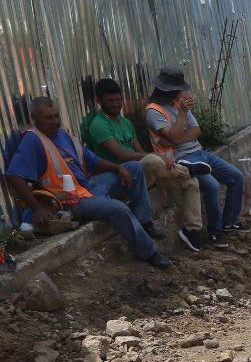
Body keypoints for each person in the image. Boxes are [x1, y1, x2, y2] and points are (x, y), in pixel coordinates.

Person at [4, 97, 171, 269]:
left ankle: (145, 223)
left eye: (56, 116)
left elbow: (93, 160)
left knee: (135, 168)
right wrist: (37, 208)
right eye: (49, 118)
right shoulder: (33, 140)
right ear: (35, 118)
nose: (55, 121)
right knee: (117, 208)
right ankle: (149, 252)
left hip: (89, 185)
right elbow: (14, 175)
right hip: (72, 200)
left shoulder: (63, 134)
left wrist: (118, 168)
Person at [84, 78, 209, 252]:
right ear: (99, 101)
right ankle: (188, 170)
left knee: (191, 183)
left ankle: (192, 231)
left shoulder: (125, 122)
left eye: (118, 100)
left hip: (143, 174)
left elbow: (139, 151)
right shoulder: (98, 124)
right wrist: (155, 156)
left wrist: (154, 157)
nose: (116, 105)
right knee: (152, 160)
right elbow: (120, 155)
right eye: (110, 101)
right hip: (121, 178)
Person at [144, 66, 247, 249]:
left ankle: (230, 221)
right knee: (212, 186)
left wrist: (178, 135)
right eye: (180, 90)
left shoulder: (178, 103)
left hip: (199, 152)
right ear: (170, 91)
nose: (183, 92)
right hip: (180, 156)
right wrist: (182, 117)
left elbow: (196, 130)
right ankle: (215, 233)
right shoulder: (154, 111)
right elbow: (174, 138)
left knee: (236, 177)